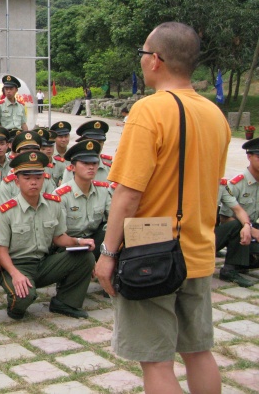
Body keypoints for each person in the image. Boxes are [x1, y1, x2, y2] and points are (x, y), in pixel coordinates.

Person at [95, 22, 230, 394]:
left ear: (156, 60)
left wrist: (107, 253)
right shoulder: (215, 115)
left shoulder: (149, 111)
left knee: (156, 361)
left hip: (151, 252)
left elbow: (128, 193)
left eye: (142, 53)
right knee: (198, 351)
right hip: (199, 248)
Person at [0, 151, 96, 319]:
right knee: (24, 297)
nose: (33, 182)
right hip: (16, 265)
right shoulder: (6, 210)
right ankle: (15, 307)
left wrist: (78, 241)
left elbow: (58, 238)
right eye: (27, 178)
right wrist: (15, 274)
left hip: (43, 263)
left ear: (44, 179)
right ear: (17, 182)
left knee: (85, 257)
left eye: (38, 177)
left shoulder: (53, 204)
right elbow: (1, 251)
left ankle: (65, 302)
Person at [55, 140, 112, 259]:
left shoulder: (103, 190)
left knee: (113, 230)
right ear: (72, 167)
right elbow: (57, 236)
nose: (91, 167)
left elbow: (112, 218)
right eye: (85, 163)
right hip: (69, 245)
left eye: (94, 163)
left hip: (93, 243)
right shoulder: (61, 195)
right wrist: (78, 241)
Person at [216, 137, 259, 287]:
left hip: (247, 227)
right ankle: (231, 267)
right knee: (238, 226)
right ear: (249, 156)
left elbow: (239, 210)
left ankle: (245, 261)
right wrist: (250, 229)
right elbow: (224, 219)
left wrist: (250, 227)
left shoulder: (221, 185)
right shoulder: (236, 183)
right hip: (228, 231)